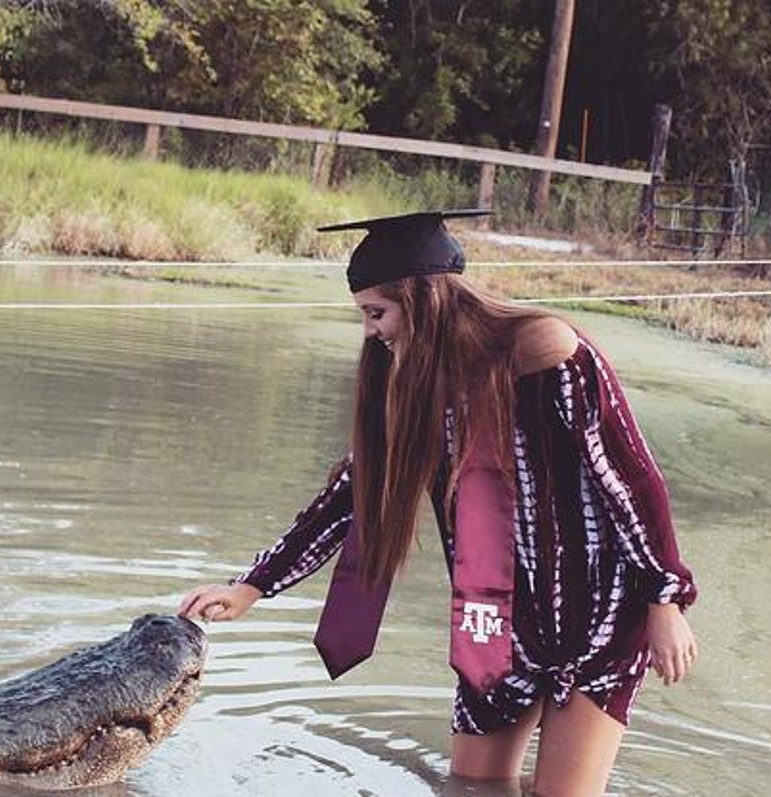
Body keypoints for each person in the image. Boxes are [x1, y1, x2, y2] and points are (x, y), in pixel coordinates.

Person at [177, 210, 698, 796]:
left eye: (377, 313)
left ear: (421, 298)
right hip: (500, 625)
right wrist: (252, 586)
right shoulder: (415, 388)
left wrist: (665, 598)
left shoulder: (546, 352)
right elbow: (353, 493)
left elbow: (629, 480)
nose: (371, 332)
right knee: (471, 787)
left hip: (598, 622)